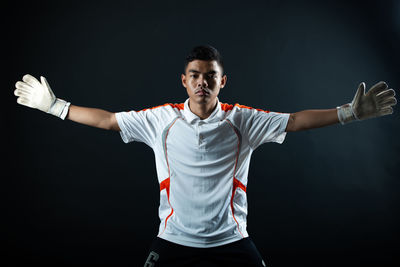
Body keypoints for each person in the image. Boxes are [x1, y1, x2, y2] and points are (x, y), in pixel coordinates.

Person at [14, 45, 397, 267]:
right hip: (173, 240)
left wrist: (348, 112)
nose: (202, 82)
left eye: (210, 75)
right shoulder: (161, 119)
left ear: (221, 81)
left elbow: (295, 121)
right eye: (195, 75)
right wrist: (54, 106)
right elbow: (110, 120)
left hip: (231, 240)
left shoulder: (242, 120)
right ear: (185, 81)